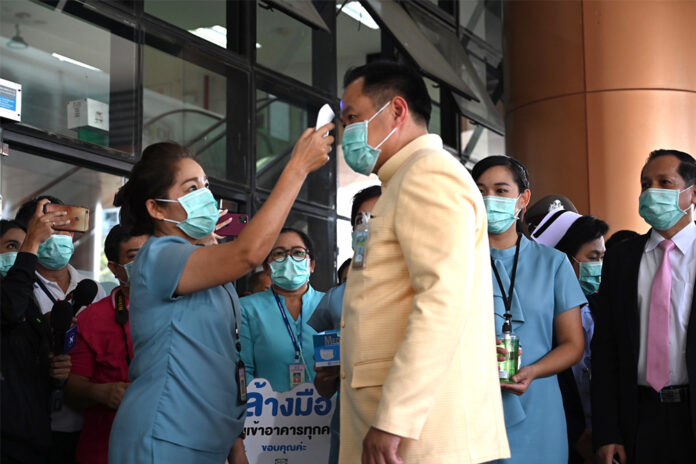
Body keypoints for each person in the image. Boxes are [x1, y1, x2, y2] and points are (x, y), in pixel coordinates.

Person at [109, 127, 332, 463]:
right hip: (164, 436)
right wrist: (297, 167)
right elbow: (249, 254)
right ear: (156, 208)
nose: (205, 195)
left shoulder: (198, 264)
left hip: (207, 440)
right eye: (191, 188)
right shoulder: (158, 256)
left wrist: (235, 442)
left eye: (205, 185)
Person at [339, 61, 509, 463]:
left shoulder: (428, 175)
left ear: (396, 111)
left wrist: (394, 420)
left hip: (419, 437)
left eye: (353, 118)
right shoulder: (403, 181)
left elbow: (441, 301)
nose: (346, 133)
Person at [472, 155, 586, 464]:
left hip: (539, 403)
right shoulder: (457, 262)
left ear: (523, 198)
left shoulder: (553, 263)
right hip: (472, 403)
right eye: (480, 191)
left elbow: (573, 344)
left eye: (500, 190)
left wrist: (533, 372)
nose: (488, 199)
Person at [592, 149, 696, 464]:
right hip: (637, 418)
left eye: (665, 182)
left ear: (692, 194)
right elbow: (605, 351)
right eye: (645, 184)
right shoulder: (622, 259)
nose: (652, 192)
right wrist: (607, 432)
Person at [14, 196, 106, 464]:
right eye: (50, 228)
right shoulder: (17, 290)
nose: (61, 237)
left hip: (86, 421)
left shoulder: (92, 288)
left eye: (65, 228)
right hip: (35, 425)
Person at [308, 184, 381, 464]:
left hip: (402, 431)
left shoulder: (421, 289)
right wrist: (325, 377)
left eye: (378, 218)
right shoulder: (336, 298)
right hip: (350, 428)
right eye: (360, 220)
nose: (368, 227)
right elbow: (324, 386)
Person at [63, 225, 147, 464]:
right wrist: (101, 392)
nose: (146, 263)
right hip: (106, 450)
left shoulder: (182, 309)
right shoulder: (91, 319)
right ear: (115, 269)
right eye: (134, 257)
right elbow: (73, 388)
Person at [532, 209, 609, 463]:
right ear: (564, 260)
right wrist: (576, 435)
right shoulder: (541, 318)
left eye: (602, 257)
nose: (599, 267)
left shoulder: (602, 307)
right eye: (592, 258)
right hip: (559, 437)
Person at [1, 204, 73, 463]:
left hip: (33, 440)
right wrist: (31, 241)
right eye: (12, 246)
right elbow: (9, 309)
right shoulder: (14, 300)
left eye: (23, 247)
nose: (21, 255)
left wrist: (56, 368)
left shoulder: (30, 305)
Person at [239, 228, 324, 392]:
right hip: (269, 412)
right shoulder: (247, 308)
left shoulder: (331, 303)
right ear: (266, 266)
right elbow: (244, 369)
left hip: (329, 411)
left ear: (311, 265)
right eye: (278, 253)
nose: (289, 259)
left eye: (298, 252)